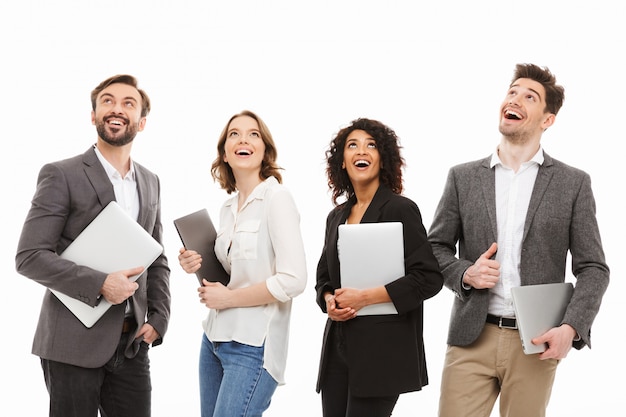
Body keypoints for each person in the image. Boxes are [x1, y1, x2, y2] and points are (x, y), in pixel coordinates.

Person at [428, 63, 610, 417]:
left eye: (530, 96)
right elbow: (435, 248)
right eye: (512, 92)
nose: (515, 99)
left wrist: (571, 328)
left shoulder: (573, 184)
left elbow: (594, 268)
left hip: (536, 342)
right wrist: (466, 273)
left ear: (547, 120)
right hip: (471, 337)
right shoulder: (462, 178)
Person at [15, 74, 171, 417]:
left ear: (142, 122)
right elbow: (29, 257)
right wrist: (100, 283)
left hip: (132, 346)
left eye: (128, 103)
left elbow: (156, 257)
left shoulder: (150, 181)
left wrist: (160, 316)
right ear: (93, 115)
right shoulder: (61, 174)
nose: (117, 109)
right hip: (72, 345)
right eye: (107, 101)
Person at [177, 110, 307, 417]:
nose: (243, 139)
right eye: (234, 134)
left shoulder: (277, 199)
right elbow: (230, 273)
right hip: (213, 339)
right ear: (225, 151)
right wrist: (195, 262)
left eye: (253, 134)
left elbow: (294, 279)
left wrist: (230, 297)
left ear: (264, 151)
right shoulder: (227, 207)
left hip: (253, 345)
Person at [315, 118, 444, 417]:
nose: (362, 151)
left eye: (371, 145)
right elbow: (324, 277)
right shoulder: (336, 217)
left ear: (382, 158)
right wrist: (329, 300)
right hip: (338, 348)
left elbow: (428, 278)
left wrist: (365, 297)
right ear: (343, 162)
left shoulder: (400, 209)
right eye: (353, 145)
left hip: (383, 352)